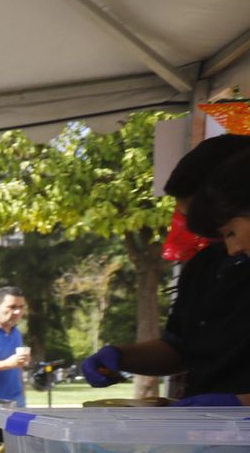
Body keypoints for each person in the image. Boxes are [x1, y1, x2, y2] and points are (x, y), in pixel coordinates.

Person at [81, 137, 250, 405]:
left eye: (226, 229)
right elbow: (181, 346)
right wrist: (121, 356)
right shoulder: (203, 266)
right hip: (210, 433)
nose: (230, 247)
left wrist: (240, 403)